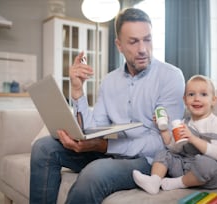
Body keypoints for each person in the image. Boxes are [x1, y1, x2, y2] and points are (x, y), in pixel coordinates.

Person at [30, 8, 185, 204]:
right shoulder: (110, 80)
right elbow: (94, 127)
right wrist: (78, 91)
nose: (143, 49)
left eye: (147, 39)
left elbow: (165, 142)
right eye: (133, 41)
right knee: (44, 147)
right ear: (118, 45)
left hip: (151, 161)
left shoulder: (171, 77)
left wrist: (105, 146)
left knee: (94, 173)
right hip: (113, 151)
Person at [133, 75, 217, 195]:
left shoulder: (215, 123)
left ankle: (177, 183)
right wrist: (163, 130)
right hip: (186, 166)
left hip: (210, 173)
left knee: (206, 164)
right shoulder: (184, 122)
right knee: (164, 154)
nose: (196, 98)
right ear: (184, 100)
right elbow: (174, 148)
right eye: (191, 94)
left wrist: (193, 139)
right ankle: (154, 181)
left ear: (213, 100)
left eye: (203, 94)